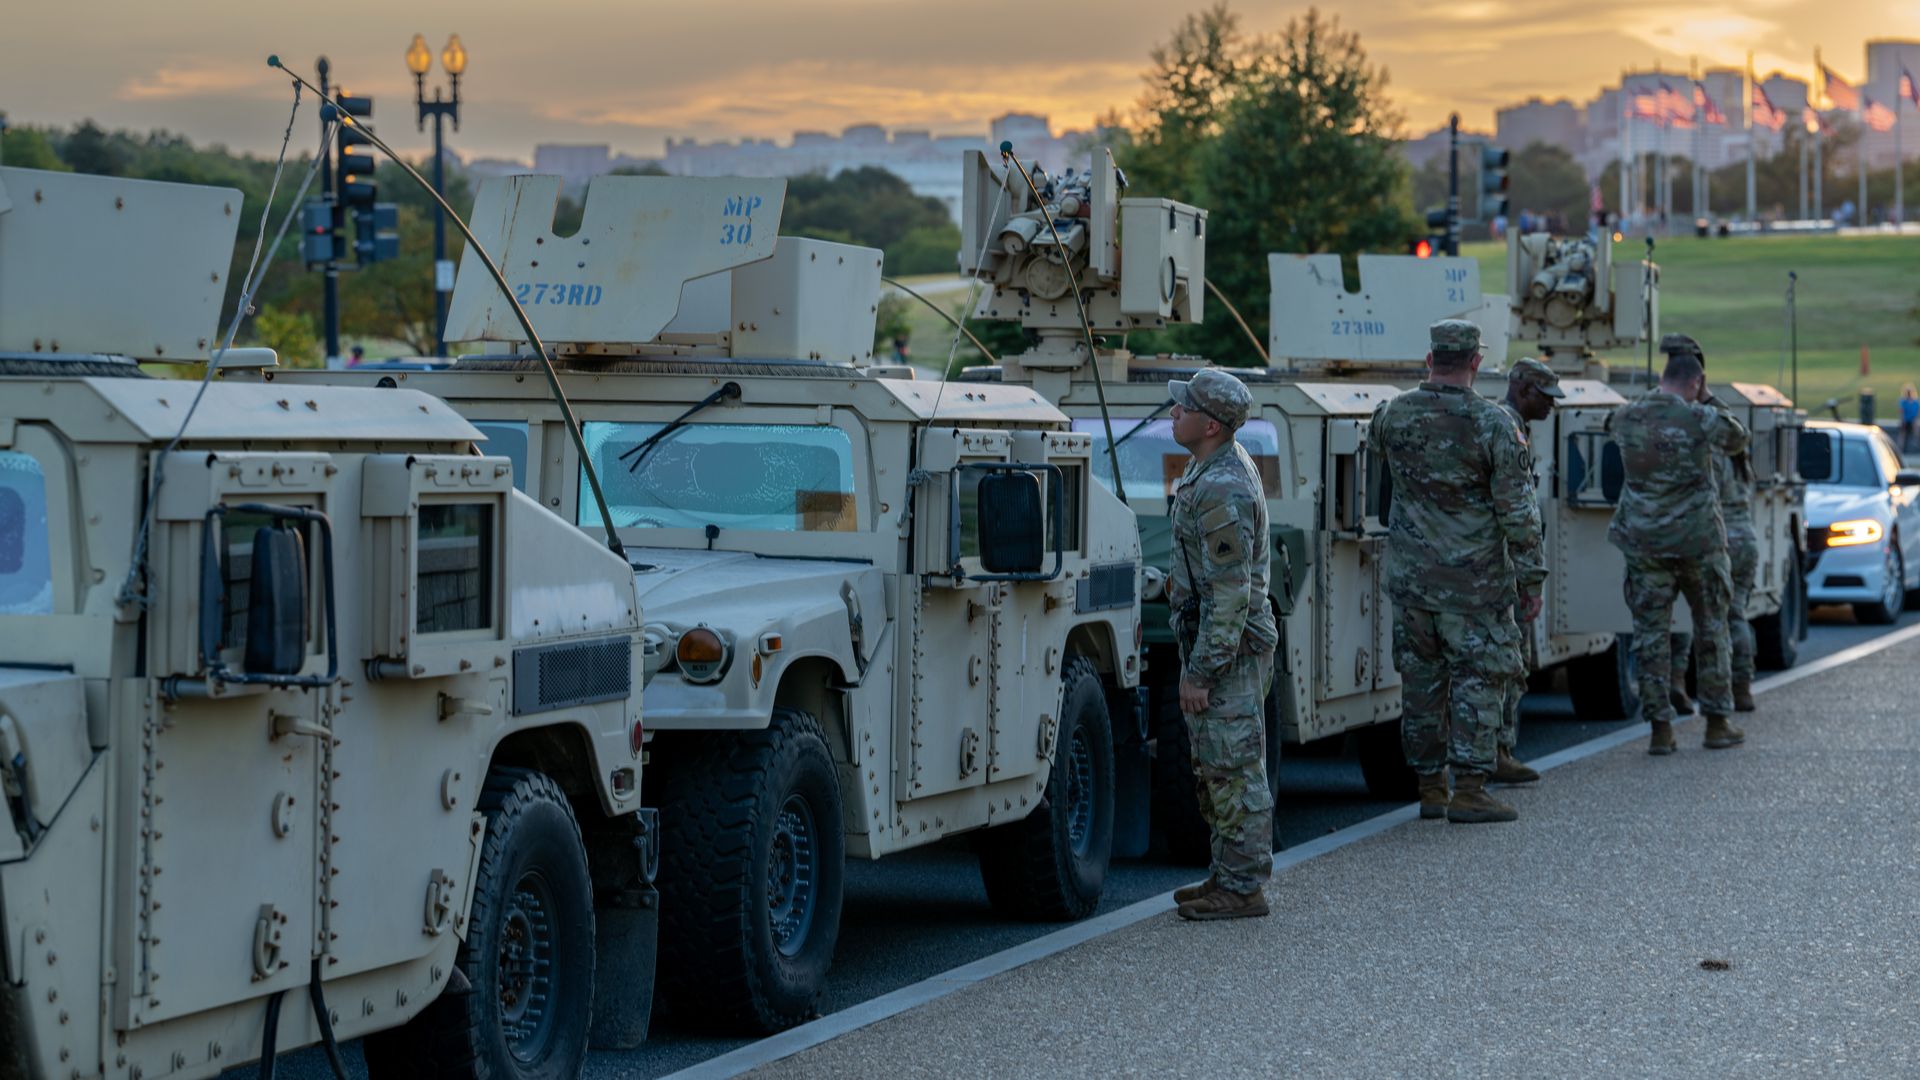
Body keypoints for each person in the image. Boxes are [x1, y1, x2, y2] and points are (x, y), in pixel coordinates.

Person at [1368, 320, 1542, 824]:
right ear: (1475, 363)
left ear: (1429, 360)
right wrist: (1531, 580)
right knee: (1480, 680)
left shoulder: (1392, 415)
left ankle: (1429, 788)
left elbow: (1378, 453)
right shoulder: (1494, 424)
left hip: (1412, 584)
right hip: (1476, 587)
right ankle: (1469, 788)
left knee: (1421, 685)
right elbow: (1518, 513)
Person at [1164, 368, 1279, 920]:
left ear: (1210, 423)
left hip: (1228, 650)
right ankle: (1226, 871)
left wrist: (1202, 672)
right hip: (1215, 640)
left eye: (1182, 408)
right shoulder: (1208, 467)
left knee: (1234, 767)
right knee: (1215, 765)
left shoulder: (1222, 484)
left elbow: (1231, 595)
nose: (1172, 413)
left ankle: (1244, 887)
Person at [1608, 341, 1749, 754]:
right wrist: (1707, 398)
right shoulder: (1701, 417)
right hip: (1698, 542)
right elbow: (1738, 438)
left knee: (1650, 636)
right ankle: (1717, 723)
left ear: (1660, 380)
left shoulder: (1627, 415)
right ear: (1696, 382)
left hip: (1644, 542)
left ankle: (1660, 731)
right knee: (1711, 630)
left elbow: (1610, 429)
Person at [1667, 336, 1760, 715]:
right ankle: (1741, 688)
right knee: (1733, 614)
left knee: (1686, 615)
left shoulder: (1696, 430)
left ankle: (1676, 680)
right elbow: (1736, 432)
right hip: (1742, 534)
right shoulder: (1726, 428)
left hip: (1709, 532)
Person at [1492, 357, 1562, 785]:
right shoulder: (1508, 428)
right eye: (1546, 395)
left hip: (1495, 568)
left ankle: (1498, 750)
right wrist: (1531, 577)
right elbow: (1520, 513)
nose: (1552, 405)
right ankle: (1498, 751)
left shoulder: (1511, 425)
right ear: (1524, 390)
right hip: (1503, 572)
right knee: (1509, 663)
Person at [1899, 385, 1917, 455]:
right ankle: (1901, 449)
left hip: (1912, 421)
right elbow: (1901, 412)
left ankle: (1914, 448)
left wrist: (1915, 423)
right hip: (1905, 420)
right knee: (1903, 435)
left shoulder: (1915, 402)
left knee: (1914, 434)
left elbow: (1916, 413)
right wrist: (1903, 421)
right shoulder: (1903, 402)